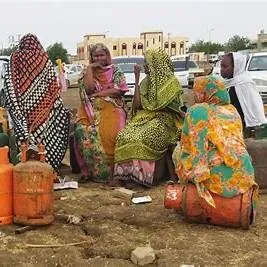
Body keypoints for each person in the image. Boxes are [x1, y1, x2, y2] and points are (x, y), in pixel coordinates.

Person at [175, 75, 258, 216]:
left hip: (214, 176)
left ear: (205, 93)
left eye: (197, 92)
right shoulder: (233, 111)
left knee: (177, 152)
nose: (195, 95)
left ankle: (189, 192)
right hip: (244, 172)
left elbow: (190, 147)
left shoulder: (197, 111)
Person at [113, 49, 184, 187]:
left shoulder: (172, 83)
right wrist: (137, 78)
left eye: (147, 62)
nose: (145, 65)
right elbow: (138, 105)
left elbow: (177, 109)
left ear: (156, 64)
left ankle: (143, 178)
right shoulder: (146, 82)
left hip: (166, 120)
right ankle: (126, 175)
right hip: (145, 117)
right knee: (124, 135)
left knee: (143, 137)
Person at [3, 33, 70, 170]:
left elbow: (8, 82)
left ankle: (25, 167)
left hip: (21, 106)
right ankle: (46, 167)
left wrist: (14, 104)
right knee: (42, 137)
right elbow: (53, 84)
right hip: (43, 106)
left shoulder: (15, 57)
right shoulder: (43, 58)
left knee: (24, 137)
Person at [74, 43, 128, 182]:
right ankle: (93, 172)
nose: (99, 58)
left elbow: (118, 90)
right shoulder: (87, 71)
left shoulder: (115, 70)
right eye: (95, 55)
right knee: (82, 130)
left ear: (107, 55)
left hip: (112, 106)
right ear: (91, 57)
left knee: (113, 131)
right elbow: (89, 89)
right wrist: (91, 69)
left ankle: (113, 171)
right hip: (89, 108)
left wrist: (100, 94)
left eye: (102, 55)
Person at [220, 52, 266, 135]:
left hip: (240, 125)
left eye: (225, 66)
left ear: (236, 67)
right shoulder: (229, 82)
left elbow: (250, 108)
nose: (221, 69)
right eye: (221, 66)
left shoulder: (244, 83)